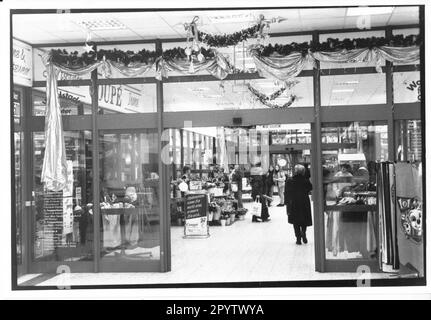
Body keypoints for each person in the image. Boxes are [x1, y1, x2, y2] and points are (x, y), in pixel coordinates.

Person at [285, 164, 313, 245]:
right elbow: (311, 188)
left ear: (295, 171)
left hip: (294, 202)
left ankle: (298, 238)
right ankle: (303, 232)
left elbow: (287, 192)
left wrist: (287, 203)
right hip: (304, 201)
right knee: (304, 219)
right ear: (303, 171)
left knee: (295, 220)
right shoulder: (306, 180)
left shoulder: (290, 180)